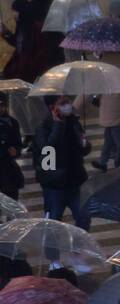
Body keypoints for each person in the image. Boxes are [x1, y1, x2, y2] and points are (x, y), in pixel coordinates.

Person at [32, 94, 90, 227]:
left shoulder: (73, 122)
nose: (67, 105)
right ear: (52, 107)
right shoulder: (44, 127)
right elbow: (47, 152)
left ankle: (79, 247)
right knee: (53, 223)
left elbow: (82, 150)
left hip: (76, 180)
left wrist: (85, 144)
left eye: (67, 102)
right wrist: (58, 126)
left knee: (84, 218)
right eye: (62, 103)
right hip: (55, 185)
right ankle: (52, 248)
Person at [0, 93, 22, 198]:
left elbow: (18, 144)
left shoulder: (12, 122)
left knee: (11, 202)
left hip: (7, 169)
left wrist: (16, 151)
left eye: (1, 105)